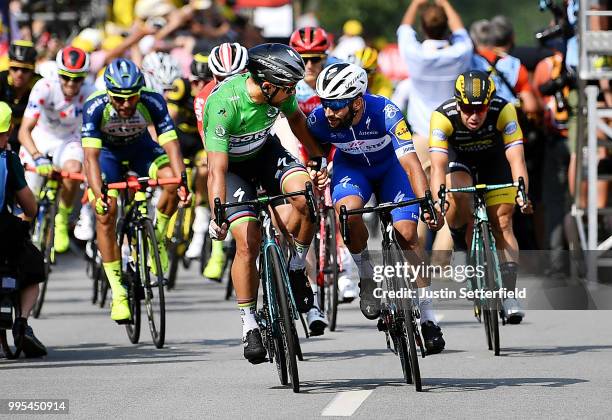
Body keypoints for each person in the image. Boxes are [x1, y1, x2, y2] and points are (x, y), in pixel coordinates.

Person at [307, 63, 446, 354]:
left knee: (407, 234)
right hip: (352, 170)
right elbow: (310, 145)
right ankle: (367, 277)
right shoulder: (321, 119)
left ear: (357, 102)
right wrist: (317, 165)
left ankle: (428, 315)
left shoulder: (386, 111)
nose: (329, 112)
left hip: (391, 170)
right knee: (347, 213)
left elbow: (410, 163)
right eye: (325, 104)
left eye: (336, 105)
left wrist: (426, 202)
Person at [204, 43, 328, 364]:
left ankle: (297, 267)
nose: (293, 93)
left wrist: (316, 157)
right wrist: (217, 212)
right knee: (248, 241)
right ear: (267, 85)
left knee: (307, 197)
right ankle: (249, 324)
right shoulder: (223, 105)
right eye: (288, 88)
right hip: (233, 169)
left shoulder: (280, 92)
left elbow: (298, 121)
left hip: (265, 154)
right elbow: (216, 168)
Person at [81, 58, 189, 323]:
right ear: (108, 93)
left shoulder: (152, 101)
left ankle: (159, 237)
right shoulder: (94, 107)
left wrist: (182, 181)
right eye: (119, 98)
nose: (127, 104)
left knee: (172, 182)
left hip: (142, 150)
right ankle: (118, 291)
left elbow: (172, 145)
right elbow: (90, 158)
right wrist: (100, 194)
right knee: (107, 213)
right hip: (108, 156)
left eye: (132, 97)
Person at [428, 71, 533, 324]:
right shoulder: (443, 116)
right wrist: (439, 202)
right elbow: (438, 168)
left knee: (503, 221)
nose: (474, 116)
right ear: (457, 103)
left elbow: (517, 160)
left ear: (490, 104)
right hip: (459, 161)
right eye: (467, 108)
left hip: (494, 161)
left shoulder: (504, 110)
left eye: (481, 109)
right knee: (456, 196)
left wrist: (522, 194)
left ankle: (508, 294)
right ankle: (462, 248)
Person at [289, 26, 359, 334]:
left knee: (337, 202)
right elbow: (286, 125)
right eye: (303, 59)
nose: (309, 67)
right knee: (306, 209)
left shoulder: (337, 72)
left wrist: (332, 161)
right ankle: (309, 289)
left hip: (333, 143)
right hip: (301, 146)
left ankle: (347, 270)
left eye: (316, 59)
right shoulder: (288, 79)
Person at [397, 0, 472, 257]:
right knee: (446, 197)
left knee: (420, 196)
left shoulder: (415, 56)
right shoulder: (458, 55)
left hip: (419, 134)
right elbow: (463, 34)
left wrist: (416, 4)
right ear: (445, 28)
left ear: (424, 28)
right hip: (449, 133)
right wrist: (446, 4)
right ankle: (441, 260)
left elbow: (403, 30)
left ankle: (417, 259)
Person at [18, 46, 96, 250]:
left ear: (84, 77)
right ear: (58, 74)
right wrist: (37, 157)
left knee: (73, 170)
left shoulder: (91, 93)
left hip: (69, 139)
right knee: (28, 200)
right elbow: (24, 131)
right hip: (41, 137)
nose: (71, 83)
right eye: (66, 77)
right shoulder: (44, 87)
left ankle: (61, 219)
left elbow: (96, 136)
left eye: (77, 79)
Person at [190, 43, 249, 281]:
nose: (229, 85)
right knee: (209, 169)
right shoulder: (204, 98)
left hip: (255, 146)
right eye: (222, 78)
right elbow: (211, 147)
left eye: (235, 78)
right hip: (223, 145)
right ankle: (217, 250)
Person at [0, 101, 47, 357]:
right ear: (8, 130)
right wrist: (26, 220)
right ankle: (23, 323)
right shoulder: (9, 159)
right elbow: (29, 205)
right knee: (32, 264)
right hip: (4, 228)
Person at [0, 40, 40, 153]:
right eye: (14, 68)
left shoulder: (41, 85)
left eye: (25, 69)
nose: (19, 74)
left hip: (32, 136)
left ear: (33, 69)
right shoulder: (1, 79)